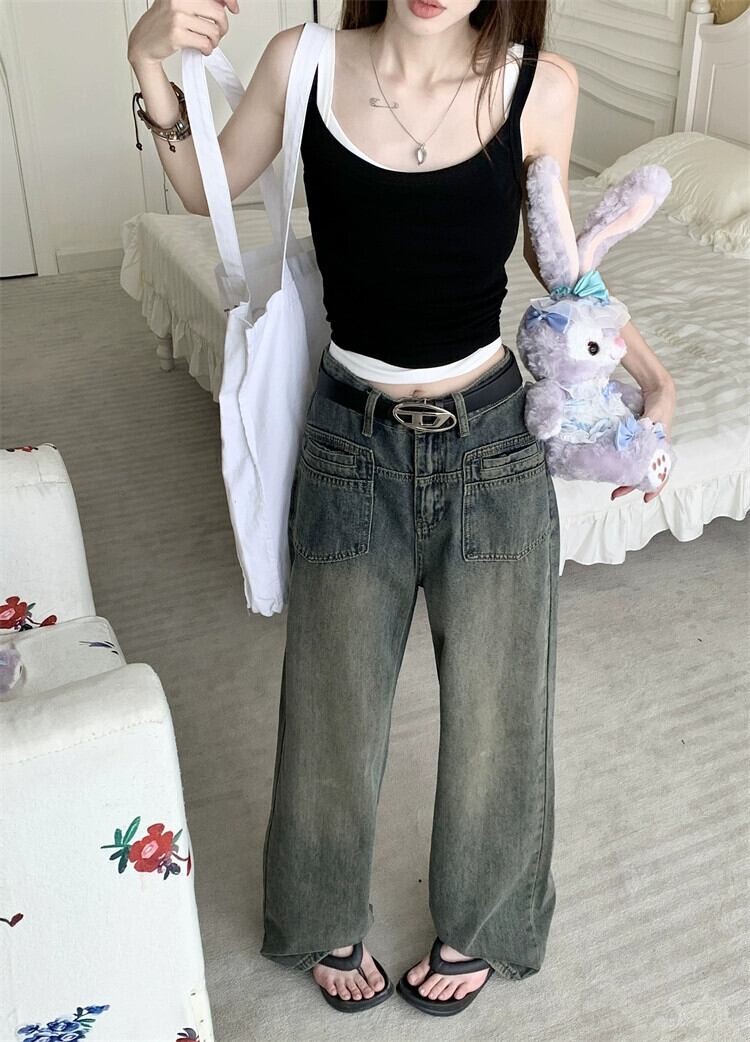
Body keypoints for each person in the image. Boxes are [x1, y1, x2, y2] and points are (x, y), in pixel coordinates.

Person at [128, 0, 676, 1018]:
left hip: (492, 443)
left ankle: (487, 920)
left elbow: (564, 263)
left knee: (500, 709)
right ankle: (317, 908)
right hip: (350, 441)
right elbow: (206, 186)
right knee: (330, 702)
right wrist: (146, 63)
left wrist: (653, 376)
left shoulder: (540, 87)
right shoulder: (303, 62)